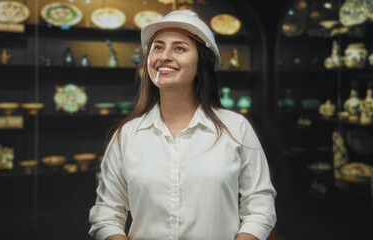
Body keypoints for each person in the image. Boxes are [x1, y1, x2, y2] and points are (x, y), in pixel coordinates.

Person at [89, 10, 276, 240]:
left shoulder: (236, 128)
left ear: (200, 66)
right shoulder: (127, 135)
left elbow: (259, 205)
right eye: (157, 47)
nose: (164, 56)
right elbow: (106, 214)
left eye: (179, 48)